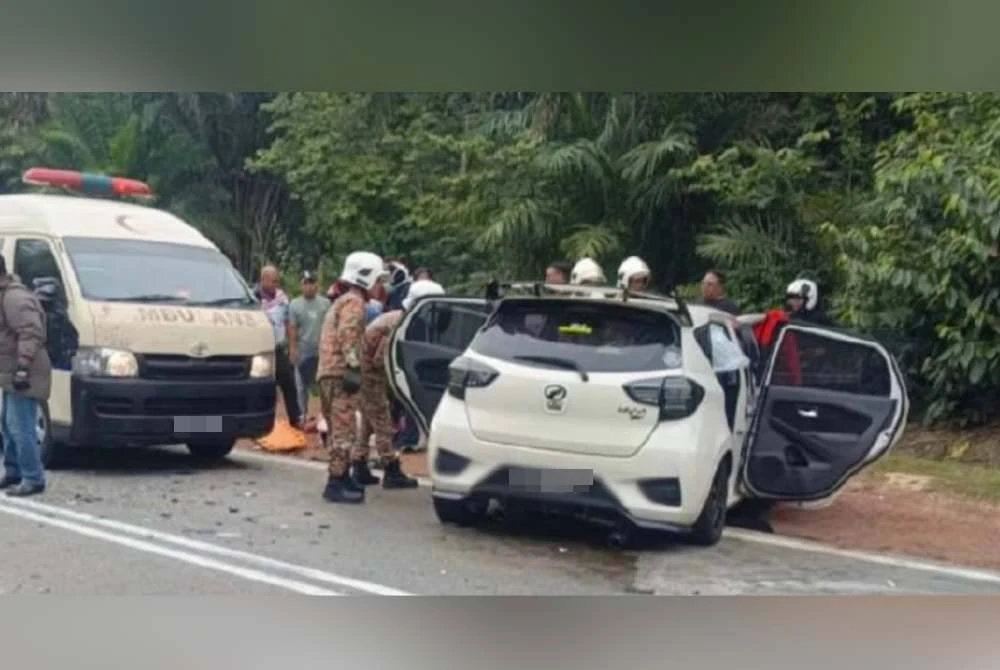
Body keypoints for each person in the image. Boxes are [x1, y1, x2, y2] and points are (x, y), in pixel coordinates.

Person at [352, 279, 445, 489]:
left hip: (366, 373)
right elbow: (380, 358)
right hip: (371, 375)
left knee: (368, 421)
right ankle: (390, 467)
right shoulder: (399, 324)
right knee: (382, 420)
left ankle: (359, 463)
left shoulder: (397, 318)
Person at [317, 250, 386, 504]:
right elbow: (347, 336)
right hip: (340, 373)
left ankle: (343, 475)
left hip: (329, 372)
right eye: (378, 280)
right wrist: (354, 367)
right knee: (343, 429)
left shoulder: (343, 300)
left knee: (340, 427)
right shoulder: (354, 303)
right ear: (366, 278)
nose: (380, 287)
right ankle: (335, 481)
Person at [0, 257, 51, 497]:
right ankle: (14, 471)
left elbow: (30, 333)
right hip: (12, 371)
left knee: (21, 426)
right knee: (8, 424)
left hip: (25, 372)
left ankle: (33, 477)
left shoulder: (14, 298)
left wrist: (22, 366)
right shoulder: (5, 295)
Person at [254, 265, 301, 428]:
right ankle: (260, 422)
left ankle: (296, 418)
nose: (275, 284)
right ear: (263, 280)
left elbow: (288, 323)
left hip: (278, 348)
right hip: (259, 350)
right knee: (263, 387)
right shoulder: (253, 299)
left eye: (277, 281)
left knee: (289, 382)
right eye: (272, 281)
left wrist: (292, 347)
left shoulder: (282, 299)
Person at [289, 270, 331, 425]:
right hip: (303, 350)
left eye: (312, 283)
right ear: (301, 285)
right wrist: (293, 349)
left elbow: (329, 326)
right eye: (305, 283)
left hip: (322, 350)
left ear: (317, 284)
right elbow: (292, 328)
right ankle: (303, 416)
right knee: (301, 386)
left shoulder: (325, 303)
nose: (309, 286)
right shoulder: (295, 304)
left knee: (324, 384)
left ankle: (325, 416)